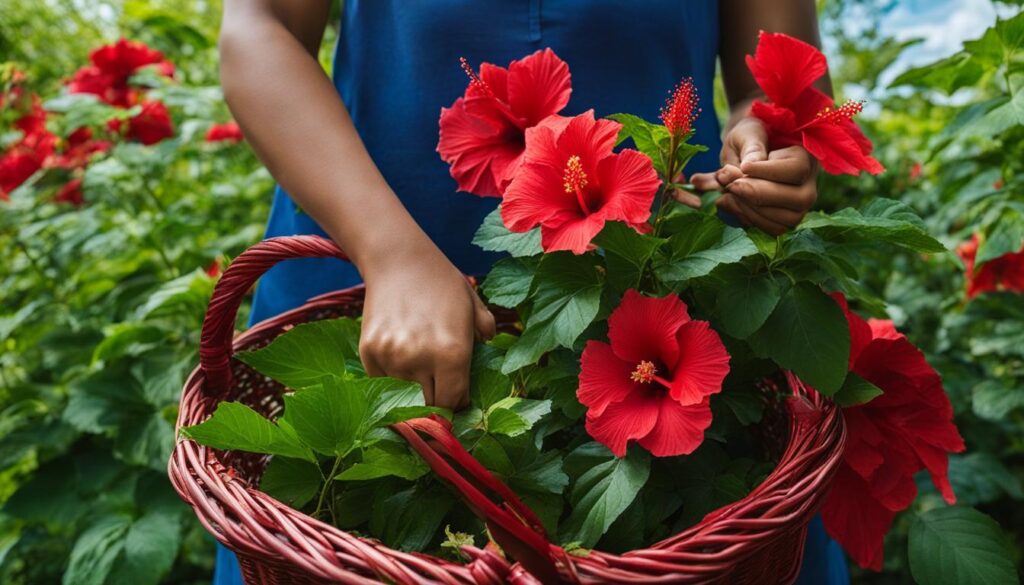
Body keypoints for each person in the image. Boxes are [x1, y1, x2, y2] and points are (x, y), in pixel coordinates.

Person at [213, 1, 847, 583]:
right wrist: (392, 256)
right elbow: (259, 23)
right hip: (371, 263)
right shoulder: (385, 257)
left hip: (655, 278)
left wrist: (770, 142)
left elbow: (780, 79)